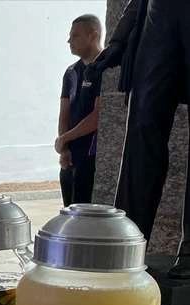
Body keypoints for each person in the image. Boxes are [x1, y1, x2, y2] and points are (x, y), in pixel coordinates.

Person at [90, 0, 190, 279]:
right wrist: (119, 40)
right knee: (142, 129)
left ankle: (189, 252)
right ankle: (128, 243)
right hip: (157, 19)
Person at [55, 14, 103, 207]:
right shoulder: (71, 72)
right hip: (70, 156)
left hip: (92, 155)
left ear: (93, 35)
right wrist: (64, 147)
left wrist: (65, 138)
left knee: (85, 212)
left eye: (75, 36)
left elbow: (98, 116)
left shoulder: (105, 69)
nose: (69, 41)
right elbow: (64, 113)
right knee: (69, 212)